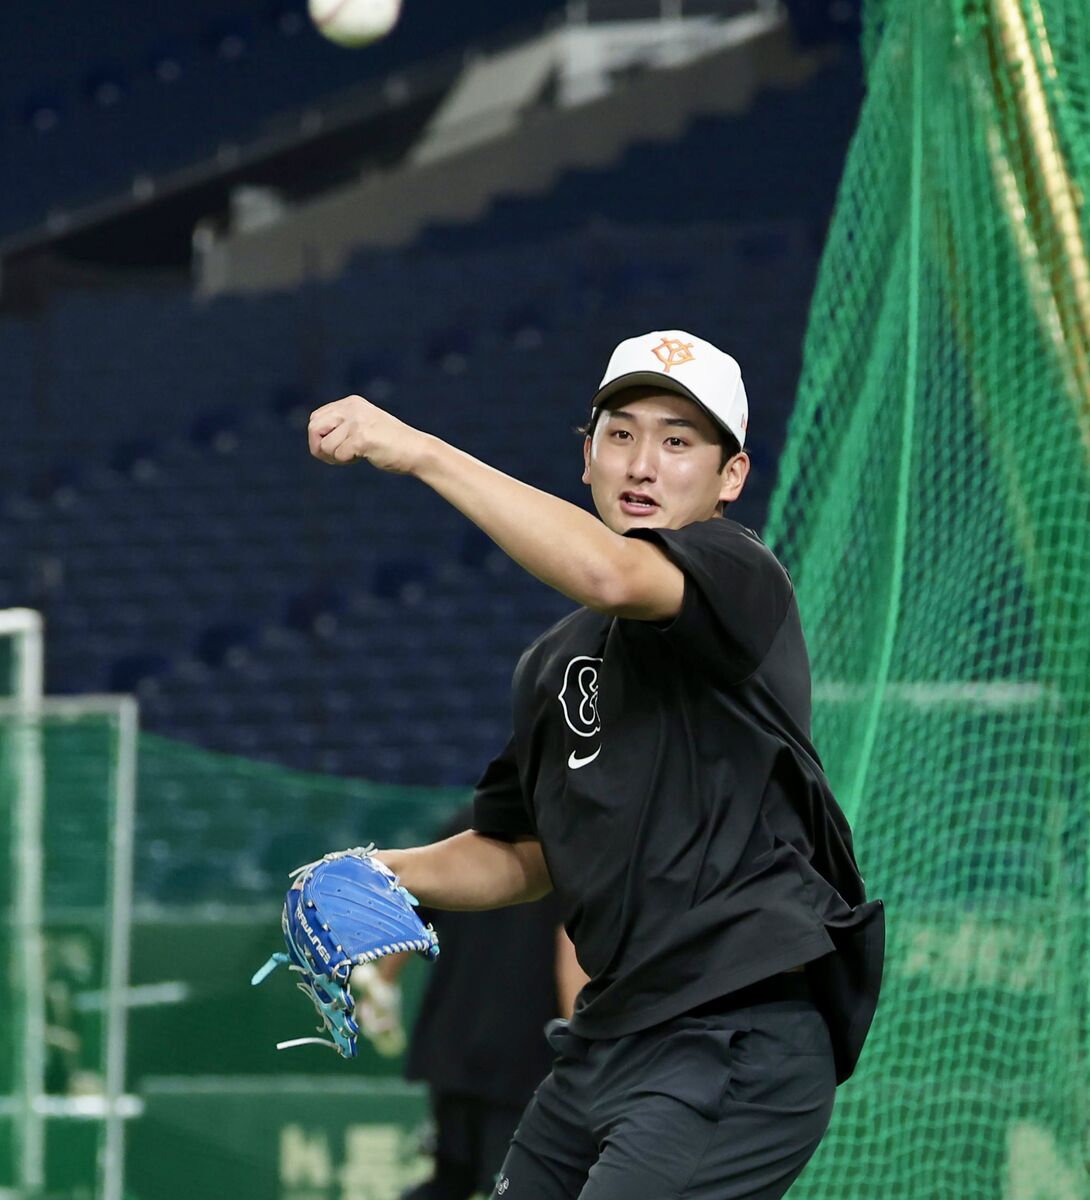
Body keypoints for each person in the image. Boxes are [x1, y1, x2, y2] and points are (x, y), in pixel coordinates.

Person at [307, 329, 885, 1200]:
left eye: (678, 440)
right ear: (587, 458)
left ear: (730, 478)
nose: (643, 463)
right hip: (610, 1040)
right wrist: (378, 874)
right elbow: (522, 855)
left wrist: (422, 451)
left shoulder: (739, 571)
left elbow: (611, 575)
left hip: (736, 1030)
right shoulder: (554, 662)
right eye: (621, 434)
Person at [354, 804, 587, 1200]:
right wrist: (584, 1046)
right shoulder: (569, 835)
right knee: (512, 1184)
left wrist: (384, 982)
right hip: (520, 1056)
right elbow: (570, 946)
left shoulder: (467, 824)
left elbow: (410, 909)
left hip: (452, 1045)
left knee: (450, 1179)